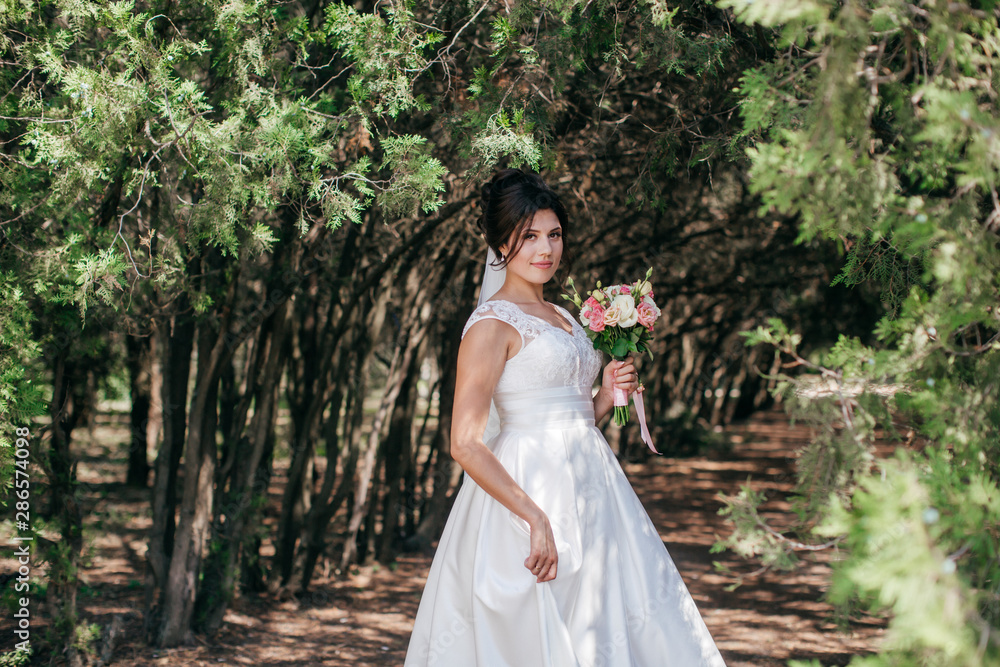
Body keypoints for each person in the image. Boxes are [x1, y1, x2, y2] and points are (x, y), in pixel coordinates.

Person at [404, 168, 727, 666]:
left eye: (553, 235)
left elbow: (577, 415)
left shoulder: (564, 316)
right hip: (527, 488)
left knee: (607, 613)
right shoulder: (491, 325)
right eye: (529, 236)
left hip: (593, 485)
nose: (545, 249)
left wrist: (608, 392)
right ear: (499, 243)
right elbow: (464, 442)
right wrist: (533, 515)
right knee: (539, 625)